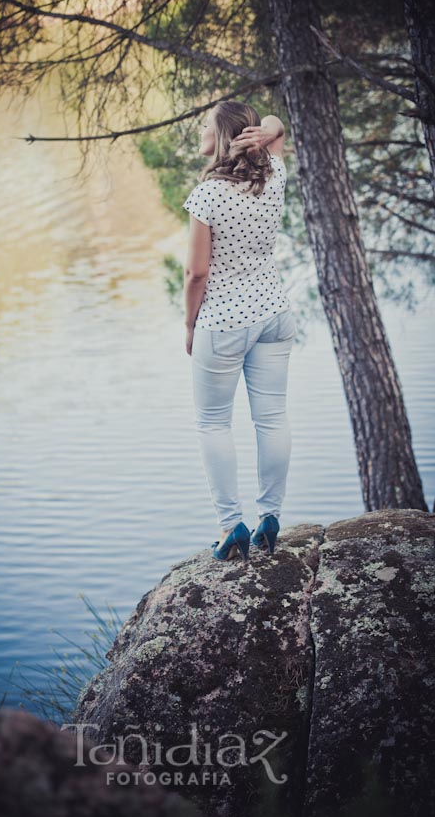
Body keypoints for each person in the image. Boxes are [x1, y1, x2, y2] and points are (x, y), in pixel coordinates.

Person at [183, 100, 297, 564]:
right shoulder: (275, 173)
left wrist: (189, 324)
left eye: (206, 125)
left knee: (214, 424)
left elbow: (196, 273)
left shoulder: (207, 194)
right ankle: (269, 517)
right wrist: (267, 128)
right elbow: (278, 129)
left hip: (224, 323)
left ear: (223, 136)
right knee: (271, 418)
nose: (200, 131)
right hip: (273, 315)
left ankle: (232, 526)